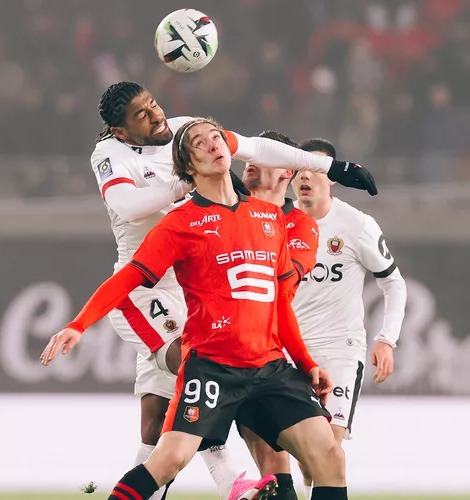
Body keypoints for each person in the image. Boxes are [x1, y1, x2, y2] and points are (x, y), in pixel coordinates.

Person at [41, 82, 377, 499]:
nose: (213, 143)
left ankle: (234, 478)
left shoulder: (266, 218)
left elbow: (276, 301)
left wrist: (305, 362)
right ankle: (230, 479)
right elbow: (129, 260)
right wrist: (78, 324)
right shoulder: (176, 219)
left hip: (266, 365)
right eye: (200, 143)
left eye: (217, 137)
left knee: (328, 455)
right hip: (199, 348)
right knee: (167, 450)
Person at [238, 137, 407, 500]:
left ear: (331, 177)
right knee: (297, 451)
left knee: (328, 447)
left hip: (338, 348)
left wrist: (386, 339)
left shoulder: (356, 225)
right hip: (285, 351)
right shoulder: (271, 221)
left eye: (316, 169)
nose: (306, 176)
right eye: (300, 169)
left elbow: (394, 283)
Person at [239, 130, 319, 500]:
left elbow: (280, 288)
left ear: (287, 171)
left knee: (277, 457)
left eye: (264, 158)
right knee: (166, 440)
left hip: (270, 350)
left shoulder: (300, 224)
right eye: (249, 157)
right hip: (217, 347)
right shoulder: (221, 210)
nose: (250, 164)